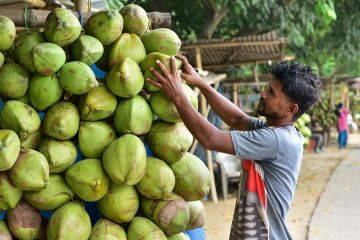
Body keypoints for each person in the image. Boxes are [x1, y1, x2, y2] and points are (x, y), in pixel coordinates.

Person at [147, 56, 322, 240]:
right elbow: (236, 119)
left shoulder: (277, 139)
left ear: (291, 109)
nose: (263, 94)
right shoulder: (275, 130)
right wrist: (202, 84)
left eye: (271, 93)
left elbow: (210, 139)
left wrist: (177, 96)